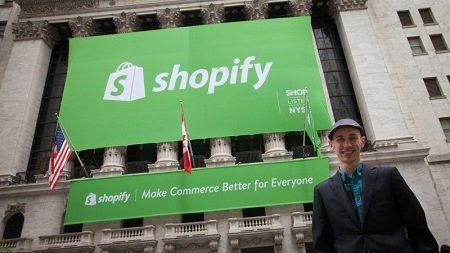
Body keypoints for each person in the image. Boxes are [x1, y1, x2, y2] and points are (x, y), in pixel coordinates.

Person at [312, 118, 438, 253]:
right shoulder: (322, 191)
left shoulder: (388, 176)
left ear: (362, 141)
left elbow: (417, 225)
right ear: (331, 144)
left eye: (353, 138)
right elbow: (322, 243)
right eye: (340, 139)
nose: (347, 144)